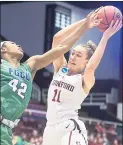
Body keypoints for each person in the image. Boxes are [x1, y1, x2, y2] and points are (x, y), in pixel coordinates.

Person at [0, 8, 101, 145]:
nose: (18, 45)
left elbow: (61, 46)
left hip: (7, 128)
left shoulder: (31, 65)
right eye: (12, 43)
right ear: (3, 49)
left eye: (78, 55)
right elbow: (58, 41)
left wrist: (86, 25)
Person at [42, 8, 122, 145]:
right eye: (73, 53)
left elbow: (91, 67)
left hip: (69, 128)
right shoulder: (60, 69)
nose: (73, 56)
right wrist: (86, 23)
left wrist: (105, 37)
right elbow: (57, 39)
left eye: (78, 55)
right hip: (49, 128)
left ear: (86, 61)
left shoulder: (85, 79)